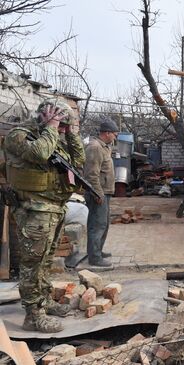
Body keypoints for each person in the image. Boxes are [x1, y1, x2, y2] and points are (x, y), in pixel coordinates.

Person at [3, 99, 85, 333]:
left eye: (63, 127)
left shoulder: (52, 138)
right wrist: (51, 127)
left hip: (53, 208)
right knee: (32, 264)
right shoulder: (19, 135)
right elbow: (39, 154)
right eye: (60, 125)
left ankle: (44, 301)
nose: (60, 130)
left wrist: (70, 134)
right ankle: (33, 315)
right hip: (34, 211)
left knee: (46, 262)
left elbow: (78, 162)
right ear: (44, 116)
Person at [83, 118, 118, 267]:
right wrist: (97, 193)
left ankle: (98, 251)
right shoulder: (95, 147)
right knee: (97, 224)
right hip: (99, 192)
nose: (116, 137)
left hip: (105, 192)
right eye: (115, 134)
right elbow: (91, 174)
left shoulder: (105, 146)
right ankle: (95, 257)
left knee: (103, 223)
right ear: (107, 133)